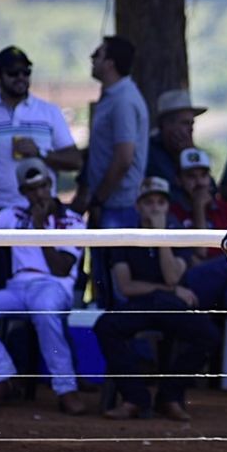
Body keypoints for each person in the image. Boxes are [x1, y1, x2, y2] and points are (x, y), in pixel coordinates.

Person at [0, 158, 87, 415]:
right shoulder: (14, 214)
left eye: (43, 186)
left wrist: (39, 228)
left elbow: (61, 269)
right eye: (31, 189)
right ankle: (2, 376)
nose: (39, 193)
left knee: (44, 309)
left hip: (53, 288)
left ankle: (66, 389)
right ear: (23, 192)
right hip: (17, 290)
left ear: (51, 184)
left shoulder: (73, 220)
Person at [94, 177, 220, 421]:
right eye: (149, 202)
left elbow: (173, 276)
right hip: (141, 304)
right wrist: (168, 290)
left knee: (208, 336)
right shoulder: (126, 236)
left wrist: (161, 236)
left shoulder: (178, 235)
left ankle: (170, 397)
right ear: (138, 207)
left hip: (170, 306)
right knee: (105, 327)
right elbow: (127, 286)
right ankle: (135, 399)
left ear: (167, 207)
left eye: (161, 202)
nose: (155, 207)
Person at [0, 46, 83, 291]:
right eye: (14, 73)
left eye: (26, 72)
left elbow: (75, 160)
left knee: (39, 284)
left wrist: (41, 153)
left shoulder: (49, 112)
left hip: (39, 212)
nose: (21, 79)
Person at [73, 36, 149, 305]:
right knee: (103, 284)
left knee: (116, 290)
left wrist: (99, 198)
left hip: (117, 206)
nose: (92, 58)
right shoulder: (113, 97)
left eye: (98, 54)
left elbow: (124, 157)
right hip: (110, 205)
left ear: (110, 64)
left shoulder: (123, 100)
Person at [169, 148, 227, 387]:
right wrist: (198, 209)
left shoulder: (226, 210)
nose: (198, 183)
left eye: (202, 176)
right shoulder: (173, 212)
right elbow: (197, 256)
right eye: (191, 176)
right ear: (179, 180)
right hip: (192, 286)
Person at [145, 89, 207, 190]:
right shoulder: (150, 153)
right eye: (185, 123)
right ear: (166, 125)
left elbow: (210, 187)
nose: (191, 129)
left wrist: (189, 152)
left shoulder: (191, 149)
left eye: (192, 123)